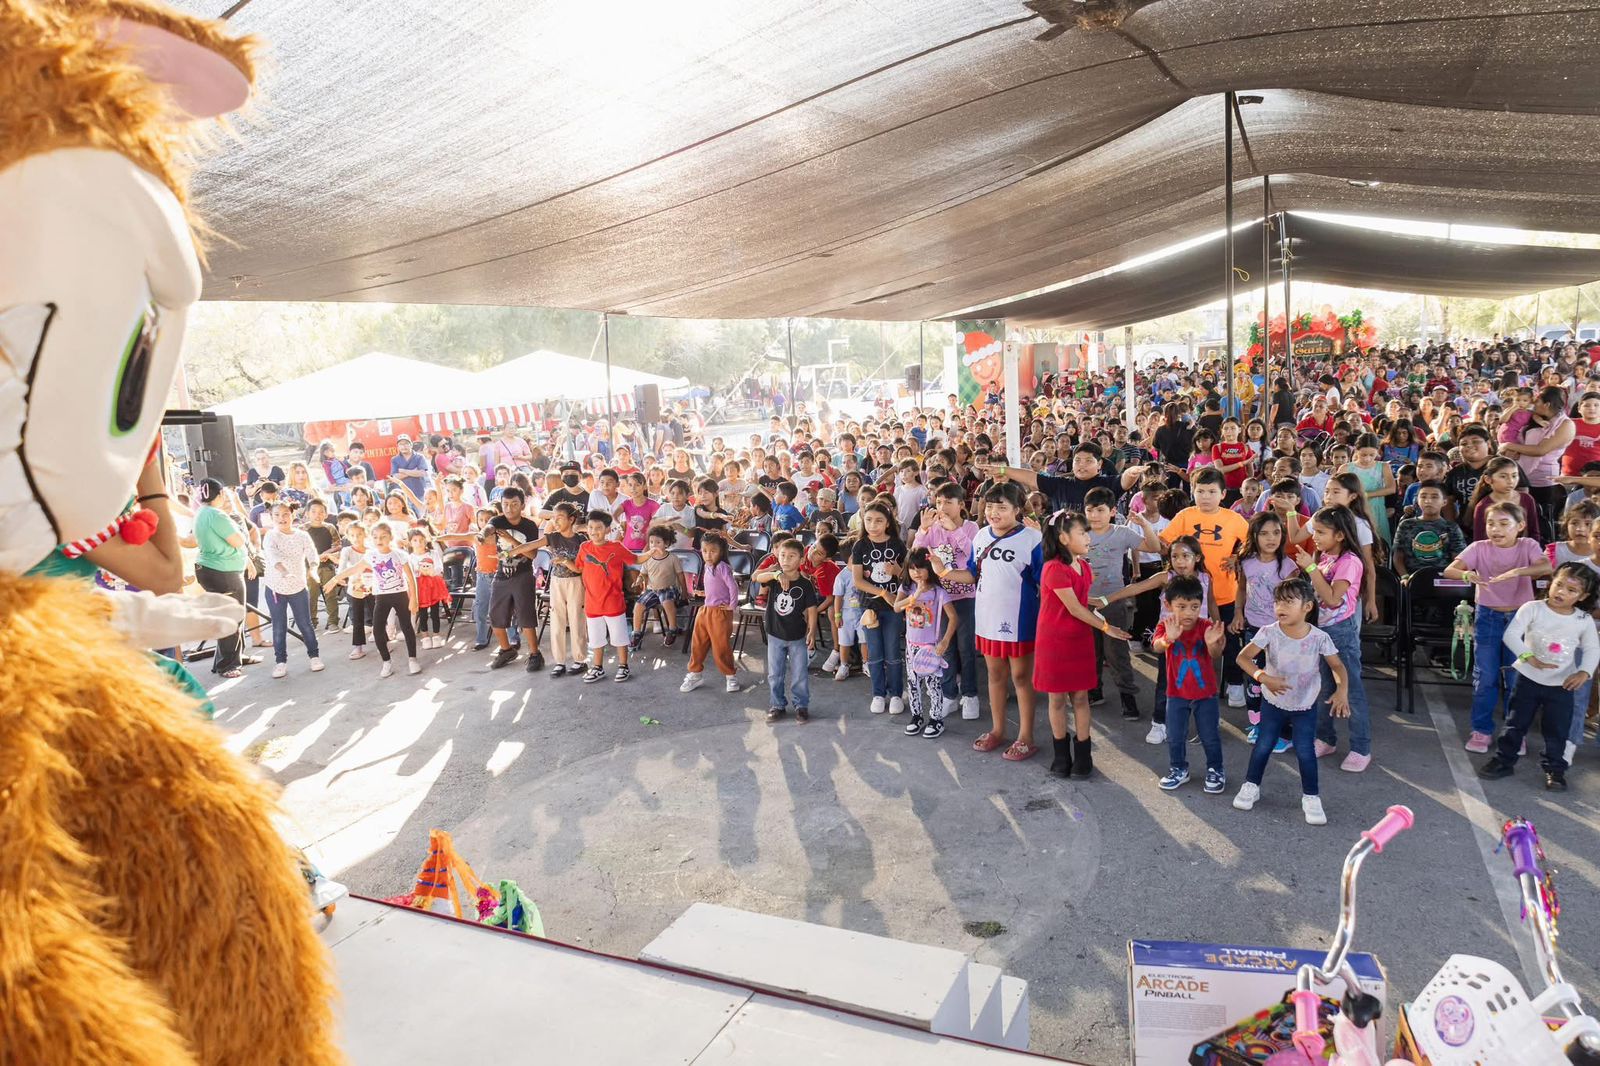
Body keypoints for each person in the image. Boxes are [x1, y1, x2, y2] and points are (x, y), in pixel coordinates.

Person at [1232, 578, 1350, 825]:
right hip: (1272, 703)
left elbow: (1337, 666)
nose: (1280, 607)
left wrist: (1342, 690)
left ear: (1307, 606)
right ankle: (1251, 785)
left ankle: (1311, 797)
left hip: (1305, 705)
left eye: (1288, 602)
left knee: (1305, 751)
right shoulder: (1269, 632)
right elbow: (1243, 658)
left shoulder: (1319, 638)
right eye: (1277, 602)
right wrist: (1263, 677)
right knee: (1263, 745)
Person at [1478, 562, 1599, 791]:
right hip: (1527, 680)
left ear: (1583, 596)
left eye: (1571, 590)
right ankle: (1503, 761)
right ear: (1551, 582)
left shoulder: (1583, 620)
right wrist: (1528, 657)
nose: (1561, 592)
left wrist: (1584, 672)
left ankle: (1555, 769)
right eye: (1559, 584)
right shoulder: (1532, 608)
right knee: (1515, 724)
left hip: (1562, 686)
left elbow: (1593, 649)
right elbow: (1511, 635)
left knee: (1557, 731)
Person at [1444, 500, 1553, 753]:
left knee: (1516, 678)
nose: (1496, 529)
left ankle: (1515, 732)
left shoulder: (1528, 545)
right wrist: (1466, 574)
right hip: (1487, 618)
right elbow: (1450, 570)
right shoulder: (1479, 547)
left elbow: (1546, 566)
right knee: (1486, 677)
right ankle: (1481, 730)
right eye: (1491, 523)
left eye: (1504, 524)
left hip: (1521, 620)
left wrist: (1517, 572)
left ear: (1520, 526)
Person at [1036, 510, 1132, 778]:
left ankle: (1083, 755)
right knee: (1057, 699)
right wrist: (1106, 627)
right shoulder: (1053, 568)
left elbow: (1080, 599)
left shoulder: (1084, 566)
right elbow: (1075, 608)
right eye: (1082, 533)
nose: (1088, 538)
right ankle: (1061, 756)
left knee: (1080, 697)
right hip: (1055, 642)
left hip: (1079, 639)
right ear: (1064, 538)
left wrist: (1103, 603)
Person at [963, 482, 1044, 762]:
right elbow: (972, 573)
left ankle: (1026, 737)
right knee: (994, 675)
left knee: (1021, 677)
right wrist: (942, 570)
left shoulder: (1032, 538)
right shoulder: (980, 536)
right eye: (989, 506)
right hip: (987, 618)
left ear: (1018, 509)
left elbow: (1044, 580)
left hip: (1020, 620)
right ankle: (997, 730)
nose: (993, 512)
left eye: (1002, 507)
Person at [1289, 507, 1373, 770]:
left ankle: (1361, 748)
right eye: (1314, 531)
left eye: (1321, 532)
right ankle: (1325, 739)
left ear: (1339, 535)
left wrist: (1310, 567)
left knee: (1351, 691)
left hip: (1340, 634)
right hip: (1321, 632)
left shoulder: (1350, 561)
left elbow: (1333, 599)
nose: (1314, 536)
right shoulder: (1325, 556)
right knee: (1323, 688)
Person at [1161, 467, 1250, 707]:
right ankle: (1190, 687)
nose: (1205, 497)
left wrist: (1238, 556)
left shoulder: (1233, 518)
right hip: (1189, 597)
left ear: (1223, 494)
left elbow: (1252, 541)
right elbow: (1164, 542)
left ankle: (1234, 683)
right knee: (1189, 642)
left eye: (1212, 491)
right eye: (1200, 491)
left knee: (1230, 641)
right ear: (1193, 492)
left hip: (1226, 594)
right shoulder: (1185, 516)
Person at [1080, 487, 1159, 718]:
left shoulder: (1122, 533)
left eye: (1100, 510)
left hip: (1113, 601)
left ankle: (1127, 695)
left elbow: (1154, 547)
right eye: (1090, 510)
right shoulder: (1079, 532)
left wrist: (1145, 525)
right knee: (1090, 650)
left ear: (1113, 511)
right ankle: (1094, 690)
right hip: (1084, 601)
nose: (1094, 515)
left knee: (1116, 651)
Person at [1153, 575, 1228, 795]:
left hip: (1206, 694)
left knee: (1209, 736)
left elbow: (1215, 655)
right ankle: (1178, 769)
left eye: (1194, 607)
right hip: (1176, 694)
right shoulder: (1165, 625)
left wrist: (1212, 643)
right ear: (1168, 605)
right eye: (1181, 606)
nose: (1188, 613)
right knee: (1175, 736)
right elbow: (1157, 646)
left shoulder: (1206, 626)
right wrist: (1169, 638)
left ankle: (1216, 769)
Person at [913, 482, 981, 720]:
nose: (942, 507)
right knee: (945, 647)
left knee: (966, 648)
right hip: (940, 599)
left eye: (948, 502)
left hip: (965, 596)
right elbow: (916, 557)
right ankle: (949, 694)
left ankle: (970, 695)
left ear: (961, 505)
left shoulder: (971, 527)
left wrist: (954, 531)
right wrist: (922, 531)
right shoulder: (932, 529)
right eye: (939, 502)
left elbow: (974, 555)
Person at [1232, 511, 1299, 745]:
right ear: (1254, 536)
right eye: (1264, 533)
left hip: (1281, 632)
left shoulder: (1288, 567)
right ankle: (1258, 723)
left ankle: (1283, 731)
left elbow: (1295, 602)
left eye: (1276, 533)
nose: (1271, 538)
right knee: (1255, 680)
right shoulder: (1246, 562)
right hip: (1254, 629)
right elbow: (1241, 589)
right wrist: (1238, 613)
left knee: (1279, 680)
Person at [850, 501, 909, 716]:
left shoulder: (897, 544)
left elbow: (908, 576)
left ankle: (895, 693)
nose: (873, 525)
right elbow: (858, 580)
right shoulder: (860, 546)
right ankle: (878, 693)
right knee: (874, 652)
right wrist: (884, 593)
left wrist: (898, 571)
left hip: (894, 608)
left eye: (878, 521)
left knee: (892, 650)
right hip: (870, 607)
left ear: (887, 523)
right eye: (868, 520)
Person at [753, 538, 819, 722]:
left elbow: (812, 609)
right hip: (775, 634)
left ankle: (801, 705)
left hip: (797, 636)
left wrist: (812, 631)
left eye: (791, 556)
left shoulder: (805, 584)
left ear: (801, 559)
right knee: (775, 674)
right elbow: (756, 577)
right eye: (782, 555)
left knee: (799, 674)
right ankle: (777, 705)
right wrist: (775, 574)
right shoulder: (774, 578)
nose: (786, 560)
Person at [483, 487, 547, 672]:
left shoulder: (529, 526)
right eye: (505, 504)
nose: (509, 508)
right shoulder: (497, 521)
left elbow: (532, 554)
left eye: (514, 504)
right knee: (495, 616)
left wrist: (512, 540)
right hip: (502, 574)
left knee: (526, 616)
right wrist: (483, 533)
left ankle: (534, 654)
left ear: (522, 505)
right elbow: (489, 527)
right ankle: (506, 650)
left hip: (523, 574)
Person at [192, 478, 251, 678]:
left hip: (213, 569)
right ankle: (228, 665)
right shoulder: (216, 515)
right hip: (223, 571)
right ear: (220, 494)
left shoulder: (201, 512)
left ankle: (232, 658)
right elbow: (237, 541)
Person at [896, 548, 957, 739]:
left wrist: (945, 641)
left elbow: (953, 617)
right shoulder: (907, 588)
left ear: (929, 568)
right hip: (911, 645)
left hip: (931, 647)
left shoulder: (939, 592)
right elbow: (896, 607)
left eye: (920, 568)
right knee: (913, 683)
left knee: (933, 684)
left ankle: (936, 719)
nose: (916, 572)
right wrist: (915, 595)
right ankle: (916, 716)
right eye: (912, 568)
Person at [259, 500, 324, 678]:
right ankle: (280, 662)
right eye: (277, 515)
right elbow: (273, 557)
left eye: (285, 514)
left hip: (298, 586)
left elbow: (312, 553)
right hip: (275, 588)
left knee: (305, 623)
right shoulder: (270, 536)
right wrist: (284, 572)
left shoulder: (302, 535)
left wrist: (313, 569)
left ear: (292, 514)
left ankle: (314, 656)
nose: (282, 518)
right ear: (271, 517)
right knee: (279, 626)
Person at [572, 510, 636, 683]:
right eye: (590, 527)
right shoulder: (584, 547)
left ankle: (623, 666)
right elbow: (578, 568)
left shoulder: (616, 547)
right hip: (592, 603)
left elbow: (635, 559)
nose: (593, 531)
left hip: (613, 602)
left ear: (607, 529)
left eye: (598, 527)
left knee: (619, 637)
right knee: (595, 639)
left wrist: (652, 552)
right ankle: (597, 667)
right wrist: (563, 561)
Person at [681, 532, 742, 693]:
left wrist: (732, 605)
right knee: (698, 644)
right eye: (705, 551)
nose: (708, 555)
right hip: (705, 610)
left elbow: (733, 587)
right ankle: (695, 674)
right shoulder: (707, 566)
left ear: (721, 551)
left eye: (713, 551)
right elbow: (716, 587)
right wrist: (705, 594)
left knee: (721, 646)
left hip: (720, 613)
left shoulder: (722, 567)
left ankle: (731, 676)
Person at [363, 521, 420, 678]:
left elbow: (411, 578)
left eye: (383, 536)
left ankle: (412, 659)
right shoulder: (371, 555)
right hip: (381, 597)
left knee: (407, 627)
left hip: (400, 594)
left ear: (390, 537)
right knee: (377, 630)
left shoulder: (399, 554)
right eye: (375, 537)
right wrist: (336, 579)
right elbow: (355, 568)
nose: (379, 540)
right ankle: (386, 662)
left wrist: (414, 598)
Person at [1391, 481, 1466, 576]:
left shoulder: (1451, 527)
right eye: (1423, 497)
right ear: (1417, 501)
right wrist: (1404, 576)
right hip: (1412, 577)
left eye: (1434, 497)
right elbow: (1398, 556)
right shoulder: (1406, 525)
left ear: (1444, 502)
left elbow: (1458, 559)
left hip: (1442, 578)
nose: (1428, 501)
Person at [630, 528, 687, 649]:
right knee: (638, 606)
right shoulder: (647, 558)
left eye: (658, 542)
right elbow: (643, 574)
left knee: (667, 603)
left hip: (668, 589)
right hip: (652, 590)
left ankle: (672, 629)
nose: (654, 545)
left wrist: (684, 593)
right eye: (651, 542)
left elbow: (681, 576)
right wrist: (639, 580)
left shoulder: (672, 558)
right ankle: (636, 633)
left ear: (666, 543)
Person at [335, 522, 373, 659]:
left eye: (359, 534)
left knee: (377, 616)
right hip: (355, 588)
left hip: (373, 587)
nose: (356, 538)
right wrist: (340, 577)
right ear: (348, 536)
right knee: (357, 619)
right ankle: (358, 647)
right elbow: (342, 566)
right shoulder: (347, 550)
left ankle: (384, 642)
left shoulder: (371, 550)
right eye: (352, 535)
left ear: (365, 534)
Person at [407, 528, 449, 649]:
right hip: (419, 589)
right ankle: (425, 637)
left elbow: (439, 568)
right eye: (415, 540)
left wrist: (431, 571)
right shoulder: (410, 557)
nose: (418, 543)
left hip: (433, 587)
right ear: (410, 543)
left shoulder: (433, 553)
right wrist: (419, 572)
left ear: (426, 540)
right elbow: (409, 574)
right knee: (423, 614)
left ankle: (436, 635)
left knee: (435, 613)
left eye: (421, 540)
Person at [388, 435, 431, 507]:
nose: (403, 446)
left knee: (422, 512)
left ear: (411, 445)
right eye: (401, 444)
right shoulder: (395, 460)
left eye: (406, 443)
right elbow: (395, 477)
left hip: (419, 493)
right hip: (403, 495)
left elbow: (423, 473)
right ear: (398, 447)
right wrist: (413, 471)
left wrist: (403, 471)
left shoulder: (419, 457)